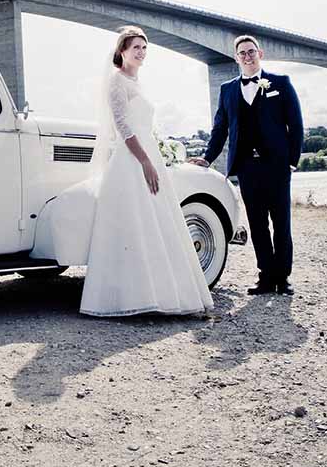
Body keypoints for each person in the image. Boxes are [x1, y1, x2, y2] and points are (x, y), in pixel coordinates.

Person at [37, 26, 213, 317]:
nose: (141, 53)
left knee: (156, 223)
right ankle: (132, 298)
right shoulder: (117, 82)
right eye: (136, 49)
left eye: (144, 49)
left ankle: (163, 293)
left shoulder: (138, 82)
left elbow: (143, 124)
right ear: (122, 52)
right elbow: (123, 127)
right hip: (132, 159)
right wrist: (145, 161)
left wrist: (155, 155)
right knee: (134, 223)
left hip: (148, 154)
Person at [189, 35, 303, 296]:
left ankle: (282, 278)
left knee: (281, 223)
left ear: (260, 53)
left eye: (251, 51)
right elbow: (220, 129)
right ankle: (265, 277)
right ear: (236, 57)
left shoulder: (281, 84)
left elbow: (295, 125)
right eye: (242, 53)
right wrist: (207, 157)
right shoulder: (227, 89)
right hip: (247, 168)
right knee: (257, 224)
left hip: (277, 166)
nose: (247, 56)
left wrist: (292, 162)